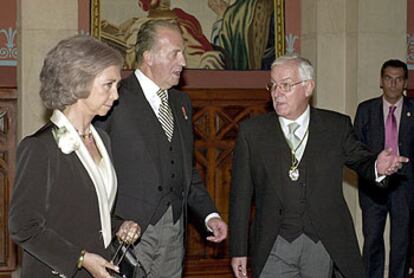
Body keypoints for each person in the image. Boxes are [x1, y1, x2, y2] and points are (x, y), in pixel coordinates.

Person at [229, 55, 409, 278]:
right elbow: (240, 196)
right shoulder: (253, 132)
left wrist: (378, 167)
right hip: (274, 243)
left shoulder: (335, 126)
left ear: (308, 87)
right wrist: (238, 250)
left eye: (285, 85)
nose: (277, 93)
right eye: (273, 85)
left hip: (322, 242)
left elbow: (361, 159)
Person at [95, 20, 227, 278]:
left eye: (183, 53)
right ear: (148, 57)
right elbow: (93, 173)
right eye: (175, 53)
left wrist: (210, 214)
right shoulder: (114, 98)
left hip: (174, 232)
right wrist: (114, 224)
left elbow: (186, 170)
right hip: (129, 235)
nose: (184, 62)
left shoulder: (181, 103)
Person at [8, 35, 140, 278]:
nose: (116, 96)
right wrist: (80, 258)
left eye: (117, 86)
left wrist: (120, 225)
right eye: (108, 85)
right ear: (78, 83)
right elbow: (23, 227)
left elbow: (90, 212)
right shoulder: (39, 148)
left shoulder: (103, 140)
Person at [354, 59, 414, 278]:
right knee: (372, 240)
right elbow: (357, 150)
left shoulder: (412, 110)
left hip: (405, 185)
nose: (393, 84)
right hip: (373, 185)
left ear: (405, 82)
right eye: (389, 78)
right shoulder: (365, 109)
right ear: (381, 81)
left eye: (398, 79)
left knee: (401, 242)